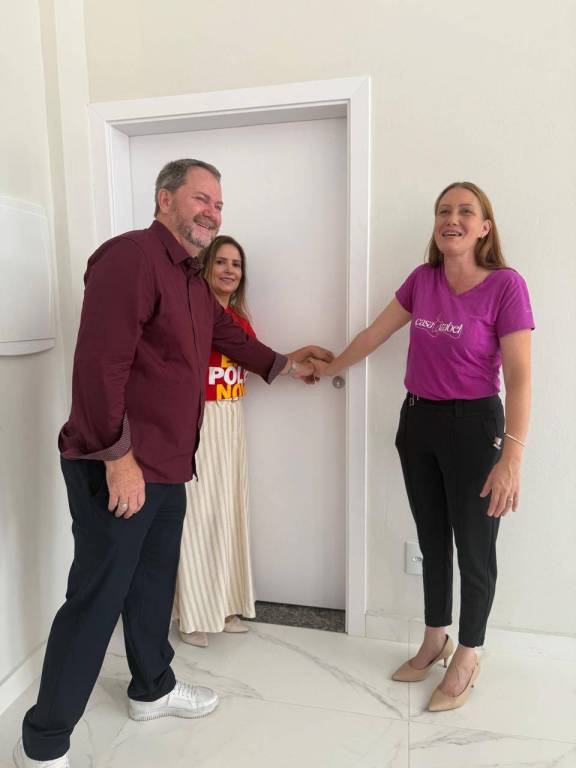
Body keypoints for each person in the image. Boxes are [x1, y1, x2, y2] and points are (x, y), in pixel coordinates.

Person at [15, 159, 330, 768]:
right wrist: (118, 458)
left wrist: (287, 364)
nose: (212, 212)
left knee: (153, 585)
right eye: (201, 198)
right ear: (165, 199)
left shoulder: (190, 279)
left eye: (219, 204)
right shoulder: (129, 258)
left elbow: (228, 338)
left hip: (166, 466)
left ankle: (152, 689)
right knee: (97, 598)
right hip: (119, 464)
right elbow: (99, 367)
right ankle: (44, 743)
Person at [311, 182, 533, 712]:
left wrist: (512, 457)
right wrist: (332, 366)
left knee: (475, 548)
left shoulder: (506, 286)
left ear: (484, 227)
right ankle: (436, 639)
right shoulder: (422, 279)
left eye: (465, 211)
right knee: (433, 539)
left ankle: (469, 653)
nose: (451, 219)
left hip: (476, 428)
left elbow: (521, 377)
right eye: (443, 211)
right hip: (418, 423)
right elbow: (375, 334)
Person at [174, 235, 330, 646]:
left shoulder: (239, 320)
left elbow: (253, 361)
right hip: (201, 420)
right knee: (200, 516)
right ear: (205, 267)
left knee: (228, 511)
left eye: (236, 264)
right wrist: (298, 365)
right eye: (221, 262)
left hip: (231, 418)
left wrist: (302, 355)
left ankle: (224, 605)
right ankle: (193, 614)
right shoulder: (194, 312)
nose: (229, 270)